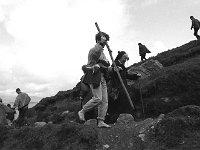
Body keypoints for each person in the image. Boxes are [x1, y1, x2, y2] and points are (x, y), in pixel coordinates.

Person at [78, 32, 111, 128]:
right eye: (103, 38)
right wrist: (100, 44)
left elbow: (104, 65)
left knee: (104, 101)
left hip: (103, 78)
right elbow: (96, 53)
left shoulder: (103, 53)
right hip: (94, 76)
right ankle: (82, 111)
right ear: (98, 40)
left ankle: (101, 121)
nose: (105, 41)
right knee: (98, 98)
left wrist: (112, 68)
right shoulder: (93, 50)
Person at [106, 51, 141, 123]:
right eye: (124, 57)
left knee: (124, 101)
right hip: (117, 87)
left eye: (127, 58)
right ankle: (119, 119)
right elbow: (111, 73)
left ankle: (127, 118)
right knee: (120, 102)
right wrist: (115, 70)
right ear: (120, 57)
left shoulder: (122, 65)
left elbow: (126, 75)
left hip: (123, 86)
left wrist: (135, 76)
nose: (126, 59)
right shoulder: (115, 64)